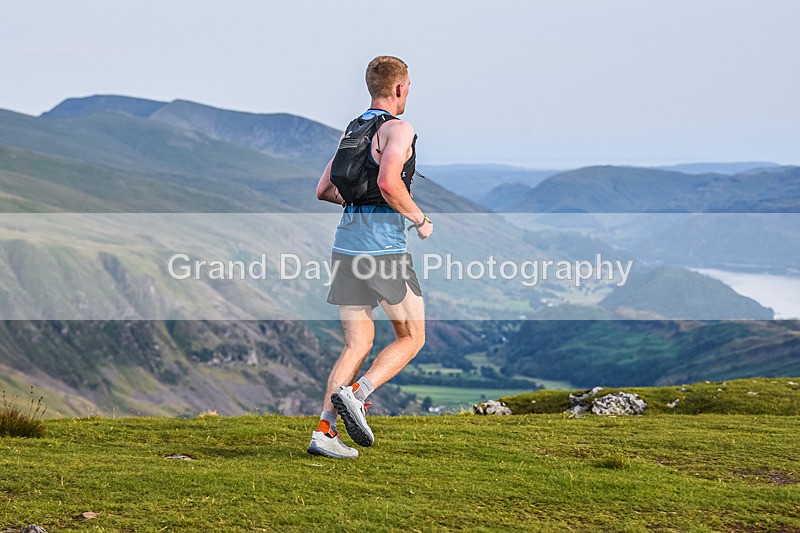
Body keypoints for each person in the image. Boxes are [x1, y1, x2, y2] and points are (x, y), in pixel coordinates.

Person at [308, 55, 433, 459]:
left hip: (345, 246)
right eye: (408, 87)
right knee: (413, 336)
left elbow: (324, 190)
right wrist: (419, 219)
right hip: (383, 250)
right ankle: (358, 396)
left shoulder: (353, 131)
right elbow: (388, 180)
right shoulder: (399, 128)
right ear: (400, 89)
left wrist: (360, 203)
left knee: (356, 343)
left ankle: (325, 432)